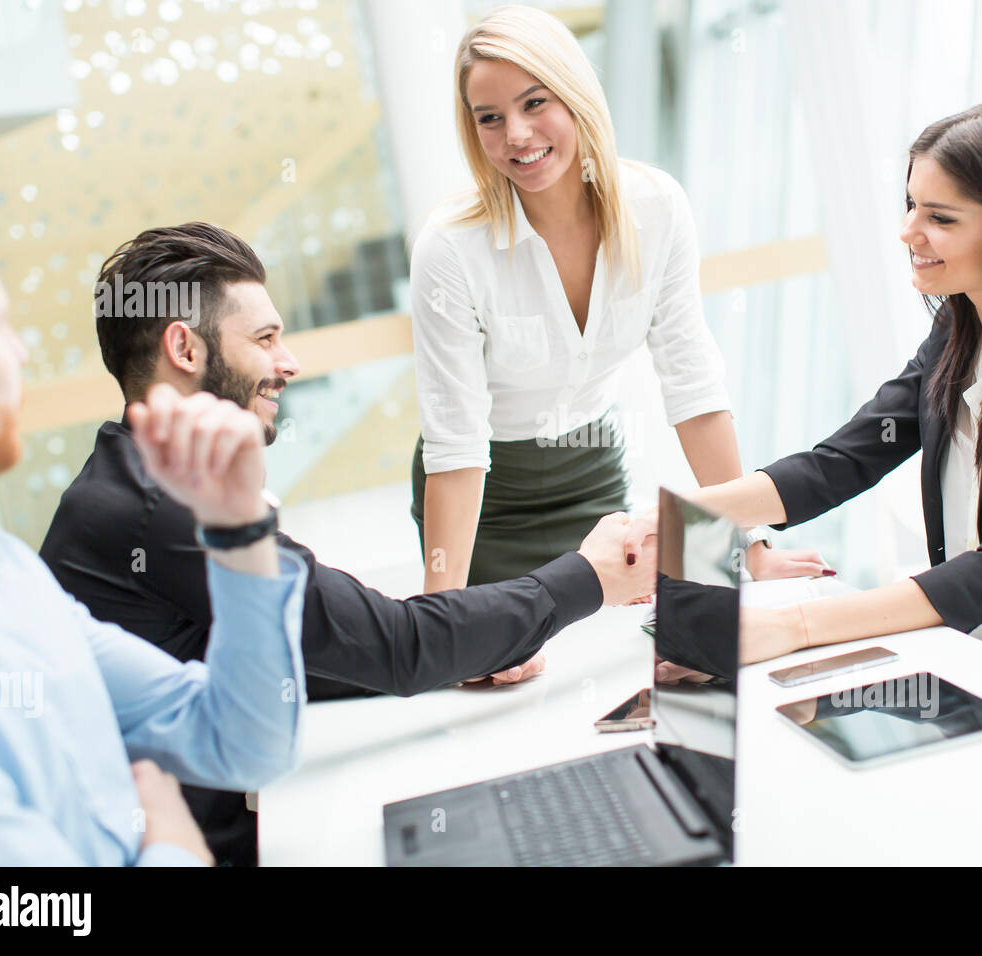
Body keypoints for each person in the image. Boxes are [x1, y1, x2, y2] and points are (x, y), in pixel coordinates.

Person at [39, 222, 657, 865]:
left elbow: (303, 646)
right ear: (185, 350)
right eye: (265, 338)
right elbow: (397, 643)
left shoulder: (132, 483)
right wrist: (594, 575)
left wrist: (458, 658)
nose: (289, 363)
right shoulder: (160, 510)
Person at [640, 102, 982, 716]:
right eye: (910, 205)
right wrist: (676, 516)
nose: (910, 232)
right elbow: (841, 462)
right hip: (975, 655)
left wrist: (786, 628)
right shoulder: (959, 331)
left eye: (940, 217)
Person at [0, 182, 307, 865]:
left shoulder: (5, 574)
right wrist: (170, 843)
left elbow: (244, 741)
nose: (18, 356)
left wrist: (239, 532)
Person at [410, 4, 827, 599]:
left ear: (575, 93)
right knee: (507, 669)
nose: (516, 136)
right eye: (490, 118)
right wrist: (440, 614)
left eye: (534, 103)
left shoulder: (656, 208)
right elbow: (456, 442)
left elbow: (693, 387)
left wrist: (749, 542)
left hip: (592, 475)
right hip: (485, 502)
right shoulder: (450, 248)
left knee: (640, 650)